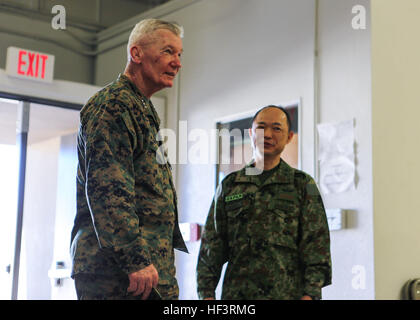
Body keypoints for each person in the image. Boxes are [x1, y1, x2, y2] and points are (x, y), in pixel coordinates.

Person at [70, 19, 188, 300]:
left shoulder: (141, 107)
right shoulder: (114, 106)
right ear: (136, 54)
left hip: (144, 271)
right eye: (168, 51)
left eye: (180, 54)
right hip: (117, 274)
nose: (177, 63)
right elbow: (108, 191)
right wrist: (134, 259)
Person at [196, 105, 332, 300]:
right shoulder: (230, 185)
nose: (267, 134)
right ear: (251, 133)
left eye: (277, 128)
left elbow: (317, 246)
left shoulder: (303, 185)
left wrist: (311, 294)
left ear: (289, 137)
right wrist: (206, 294)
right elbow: (212, 246)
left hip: (287, 294)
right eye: (261, 127)